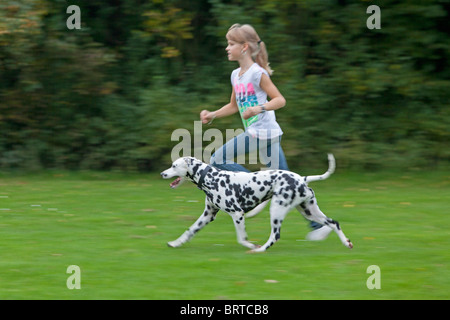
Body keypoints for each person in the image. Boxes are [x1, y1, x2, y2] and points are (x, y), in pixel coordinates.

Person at [199, 24, 331, 240]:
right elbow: (234, 106)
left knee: (217, 158)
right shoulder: (236, 75)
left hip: (261, 132)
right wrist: (212, 114)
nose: (226, 48)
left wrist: (259, 108)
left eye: (230, 44)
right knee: (290, 183)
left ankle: (254, 188)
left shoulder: (257, 74)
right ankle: (319, 225)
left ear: (244, 47)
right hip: (267, 133)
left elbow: (280, 100)